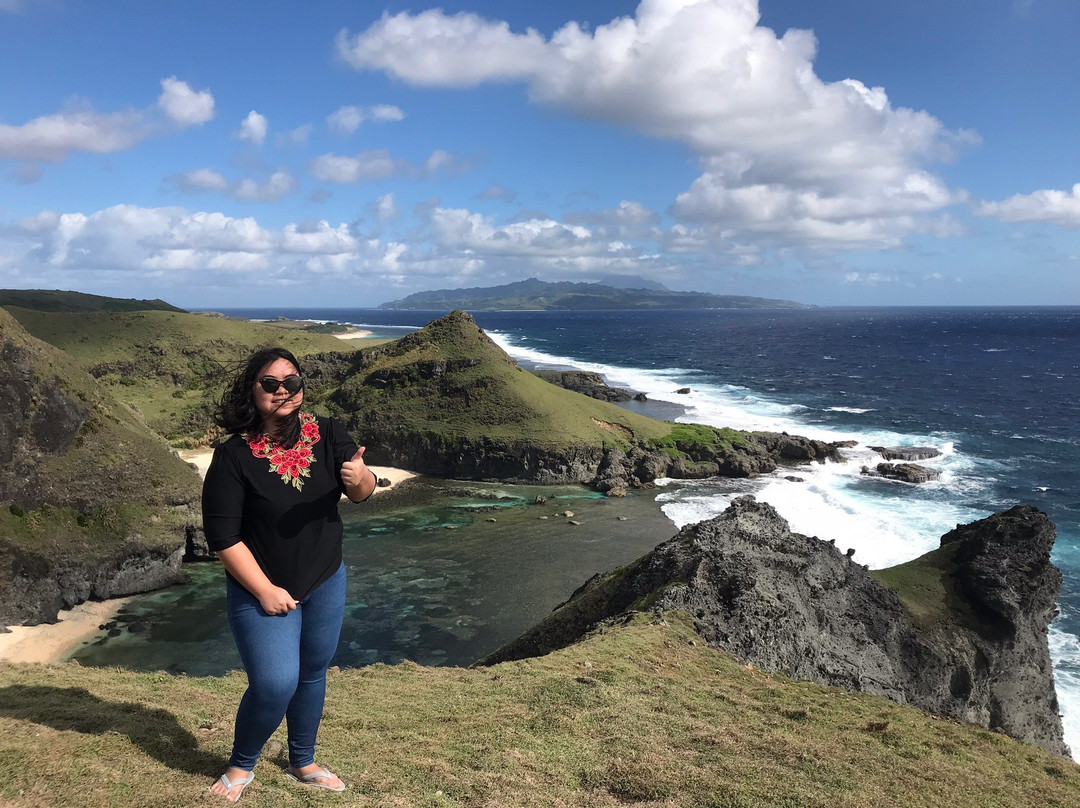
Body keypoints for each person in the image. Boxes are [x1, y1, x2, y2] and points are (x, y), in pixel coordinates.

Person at [202, 347, 376, 802]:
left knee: (312, 673)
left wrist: (359, 475)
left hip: (325, 578)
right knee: (275, 681)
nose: (282, 391)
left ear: (302, 386)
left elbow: (360, 492)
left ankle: (303, 759)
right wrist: (263, 590)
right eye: (270, 383)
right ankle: (242, 764)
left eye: (291, 382)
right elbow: (223, 537)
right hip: (259, 587)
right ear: (252, 390)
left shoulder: (327, 432)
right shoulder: (233, 456)